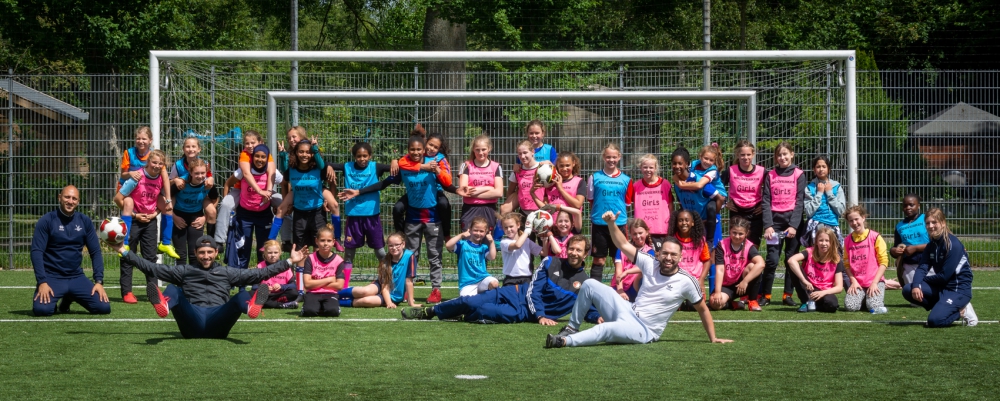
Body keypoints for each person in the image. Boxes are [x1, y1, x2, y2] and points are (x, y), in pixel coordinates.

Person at [543, 211, 732, 348]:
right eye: (664, 253)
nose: (668, 257)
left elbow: (703, 310)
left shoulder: (687, 281)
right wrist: (611, 224)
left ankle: (564, 341)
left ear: (680, 257)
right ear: (658, 254)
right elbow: (623, 244)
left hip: (644, 330)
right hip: (628, 311)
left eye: (673, 255)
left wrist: (713, 338)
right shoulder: (650, 263)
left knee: (606, 330)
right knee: (591, 284)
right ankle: (571, 328)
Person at [114, 235, 300, 338]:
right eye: (201, 252)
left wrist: (290, 261)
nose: (206, 256)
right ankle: (165, 305)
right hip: (191, 323)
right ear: (195, 253)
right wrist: (123, 251)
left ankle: (250, 307)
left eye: (210, 252)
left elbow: (258, 274)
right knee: (175, 288)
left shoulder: (227, 272)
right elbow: (151, 267)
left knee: (241, 294)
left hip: (219, 322)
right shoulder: (184, 271)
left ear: (216, 253)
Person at [399, 235, 598, 325]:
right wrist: (541, 315)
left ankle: (461, 315)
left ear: (586, 254)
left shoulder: (585, 283)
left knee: (484, 312)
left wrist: (597, 317)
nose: (573, 253)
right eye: (571, 248)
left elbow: (587, 307)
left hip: (522, 314)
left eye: (578, 250)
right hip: (516, 293)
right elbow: (534, 291)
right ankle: (429, 312)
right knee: (470, 300)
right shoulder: (550, 262)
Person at [350, 135, 452, 303]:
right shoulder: (405, 165)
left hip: (433, 218)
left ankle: (436, 290)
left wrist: (459, 190)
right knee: (411, 256)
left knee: (435, 255)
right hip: (412, 218)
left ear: (424, 148)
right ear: (408, 151)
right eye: (412, 149)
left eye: (419, 149)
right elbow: (384, 183)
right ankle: (404, 289)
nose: (416, 152)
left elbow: (446, 183)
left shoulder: (434, 163)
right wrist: (359, 191)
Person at [31, 185, 110, 316]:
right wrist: (42, 282)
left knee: (103, 308)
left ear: (78, 202)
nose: (70, 201)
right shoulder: (47, 220)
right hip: (52, 276)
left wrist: (99, 281)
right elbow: (36, 252)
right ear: (60, 198)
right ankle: (61, 296)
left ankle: (69, 298)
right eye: (67, 197)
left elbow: (95, 252)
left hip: (76, 277)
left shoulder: (85, 221)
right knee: (42, 310)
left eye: (74, 198)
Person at [328, 141, 396, 287]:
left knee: (380, 252)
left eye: (365, 156)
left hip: (372, 216)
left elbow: (397, 167)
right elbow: (325, 164)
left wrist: (395, 160)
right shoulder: (347, 167)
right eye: (359, 156)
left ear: (370, 156)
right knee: (349, 254)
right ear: (354, 157)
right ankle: (344, 286)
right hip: (353, 217)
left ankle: (388, 282)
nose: (362, 159)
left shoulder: (375, 167)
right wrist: (328, 167)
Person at [902, 208, 978, 327]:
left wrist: (921, 282)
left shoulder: (953, 244)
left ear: (943, 223)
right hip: (942, 287)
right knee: (908, 289)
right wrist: (916, 285)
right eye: (928, 223)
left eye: (934, 222)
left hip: (957, 290)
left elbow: (944, 276)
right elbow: (922, 267)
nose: (931, 226)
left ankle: (962, 311)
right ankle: (942, 307)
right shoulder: (932, 244)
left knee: (934, 321)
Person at [115, 149, 171, 303]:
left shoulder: (161, 179)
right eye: (154, 162)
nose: (157, 165)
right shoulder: (137, 177)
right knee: (128, 255)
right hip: (133, 220)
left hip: (150, 221)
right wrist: (134, 215)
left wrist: (155, 214)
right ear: (148, 162)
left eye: (160, 163)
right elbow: (118, 198)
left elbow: (162, 202)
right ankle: (127, 291)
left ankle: (153, 291)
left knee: (150, 257)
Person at [759, 142, 807, 307]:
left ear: (792, 154)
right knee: (772, 259)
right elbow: (766, 201)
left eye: (786, 154)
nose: (783, 157)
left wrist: (794, 225)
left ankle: (788, 295)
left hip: (793, 223)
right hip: (775, 223)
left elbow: (800, 202)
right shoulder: (770, 175)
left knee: (790, 259)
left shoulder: (799, 174)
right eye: (779, 155)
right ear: (775, 157)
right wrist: (768, 225)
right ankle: (766, 295)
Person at [214, 131, 278, 251]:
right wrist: (259, 191)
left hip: (265, 190)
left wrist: (268, 191)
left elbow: (272, 174)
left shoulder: (266, 153)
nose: (249, 146)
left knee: (283, 203)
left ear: (260, 143)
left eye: (252, 142)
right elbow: (246, 174)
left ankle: (287, 239)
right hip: (241, 189)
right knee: (226, 204)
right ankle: (219, 240)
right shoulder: (244, 155)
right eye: (246, 143)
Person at [337, 232, 421, 309]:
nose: (394, 248)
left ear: (403, 244)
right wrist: (388, 303)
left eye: (397, 245)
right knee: (364, 291)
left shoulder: (410, 256)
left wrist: (411, 303)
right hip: (381, 286)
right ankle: (334, 295)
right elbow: (384, 286)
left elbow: (409, 282)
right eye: (391, 245)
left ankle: (337, 302)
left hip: (394, 296)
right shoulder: (385, 261)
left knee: (367, 301)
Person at [226, 144, 275, 272]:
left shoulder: (271, 171)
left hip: (264, 215)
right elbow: (228, 183)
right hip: (245, 215)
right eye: (257, 156)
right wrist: (228, 202)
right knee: (243, 248)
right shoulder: (243, 171)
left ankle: (262, 281)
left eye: (263, 157)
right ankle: (241, 284)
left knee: (263, 249)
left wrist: (276, 203)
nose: (260, 159)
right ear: (252, 157)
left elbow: (285, 182)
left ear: (267, 158)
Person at [586, 142, 630, 280]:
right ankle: (594, 293)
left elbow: (627, 203)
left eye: (614, 157)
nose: (611, 160)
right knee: (599, 260)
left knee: (619, 260)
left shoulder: (627, 180)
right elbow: (591, 199)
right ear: (603, 157)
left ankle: (620, 292)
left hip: (619, 224)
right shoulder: (594, 177)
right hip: (599, 224)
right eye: (608, 157)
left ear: (619, 157)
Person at [673, 144, 727, 244]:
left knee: (711, 207)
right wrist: (676, 178)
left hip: (718, 195)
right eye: (705, 158)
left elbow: (699, 185)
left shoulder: (713, 170)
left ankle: (710, 237)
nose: (707, 162)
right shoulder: (694, 164)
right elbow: (683, 169)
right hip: (703, 188)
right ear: (700, 156)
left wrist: (682, 185)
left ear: (714, 161)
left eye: (711, 160)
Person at [710, 216, 765, 311]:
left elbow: (761, 264)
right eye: (734, 233)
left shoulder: (749, 246)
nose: (737, 236)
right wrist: (718, 292)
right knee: (714, 303)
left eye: (741, 234)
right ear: (730, 230)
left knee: (753, 266)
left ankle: (752, 300)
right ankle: (733, 304)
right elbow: (720, 269)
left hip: (743, 285)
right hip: (726, 285)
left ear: (746, 234)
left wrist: (745, 281)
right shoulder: (722, 245)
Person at [785, 227, 845, 313]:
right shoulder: (809, 252)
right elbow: (791, 260)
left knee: (832, 305)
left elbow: (839, 287)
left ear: (831, 242)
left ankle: (813, 304)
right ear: (816, 242)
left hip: (824, 291)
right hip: (808, 287)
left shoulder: (836, 259)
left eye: (827, 241)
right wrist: (804, 281)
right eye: (821, 240)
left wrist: (822, 293)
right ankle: (805, 301)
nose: (824, 243)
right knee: (793, 267)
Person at [170, 158, 219, 265]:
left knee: (194, 253)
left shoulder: (207, 184)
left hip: (196, 217)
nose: (200, 176)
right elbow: (167, 199)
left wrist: (204, 217)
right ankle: (181, 281)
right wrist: (174, 217)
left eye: (203, 173)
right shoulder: (182, 183)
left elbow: (215, 200)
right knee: (180, 254)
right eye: (196, 173)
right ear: (190, 173)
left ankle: (193, 280)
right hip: (179, 217)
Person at [842, 205, 889, 313]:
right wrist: (853, 281)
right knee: (850, 306)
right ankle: (864, 299)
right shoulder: (847, 240)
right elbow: (846, 264)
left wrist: (875, 283)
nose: (854, 223)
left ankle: (870, 300)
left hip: (875, 281)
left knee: (874, 307)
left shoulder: (875, 237)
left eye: (856, 219)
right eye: (851, 221)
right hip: (858, 283)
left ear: (863, 218)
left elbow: (884, 262)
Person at [169, 136, 217, 238]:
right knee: (169, 199)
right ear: (183, 149)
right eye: (188, 147)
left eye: (193, 146)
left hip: (199, 195)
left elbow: (209, 179)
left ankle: (211, 242)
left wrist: (211, 179)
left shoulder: (205, 164)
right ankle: (165, 238)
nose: (191, 149)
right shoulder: (178, 165)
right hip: (180, 195)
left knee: (212, 211)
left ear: (199, 149)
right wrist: (175, 180)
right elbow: (168, 183)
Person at [722, 140, 766, 248]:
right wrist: (724, 202)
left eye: (748, 154)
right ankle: (736, 265)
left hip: (755, 212)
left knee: (753, 247)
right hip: (737, 211)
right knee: (737, 243)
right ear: (737, 155)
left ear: (753, 154)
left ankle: (751, 264)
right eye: (742, 155)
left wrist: (764, 204)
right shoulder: (731, 170)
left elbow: (771, 189)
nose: (745, 157)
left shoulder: (762, 171)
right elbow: (717, 186)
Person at [457, 135, 504, 232]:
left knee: (487, 240)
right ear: (473, 149)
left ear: (489, 148)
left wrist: (474, 192)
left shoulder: (496, 167)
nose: (481, 153)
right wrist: (489, 188)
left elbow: (499, 193)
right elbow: (465, 191)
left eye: (483, 149)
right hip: (470, 209)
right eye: (477, 150)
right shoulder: (466, 166)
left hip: (489, 209)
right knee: (468, 240)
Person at [626, 153, 672, 250]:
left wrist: (670, 224)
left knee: (659, 259)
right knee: (641, 259)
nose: (648, 170)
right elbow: (630, 204)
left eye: (651, 167)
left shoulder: (665, 184)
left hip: (660, 229)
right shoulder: (636, 186)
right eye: (645, 167)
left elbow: (670, 205)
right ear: (641, 168)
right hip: (641, 230)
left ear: (656, 168)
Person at [499, 212, 560, 286]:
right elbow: (517, 245)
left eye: (511, 226)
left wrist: (544, 241)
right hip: (510, 279)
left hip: (526, 278)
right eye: (505, 227)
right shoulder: (504, 242)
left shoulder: (527, 241)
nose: (508, 229)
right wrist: (527, 230)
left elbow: (544, 253)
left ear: (518, 225)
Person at [301, 225, 347, 317]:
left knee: (332, 312)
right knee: (309, 312)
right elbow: (307, 284)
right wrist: (329, 280)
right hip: (312, 293)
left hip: (330, 293)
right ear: (316, 241)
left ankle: (323, 307)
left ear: (333, 242)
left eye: (329, 241)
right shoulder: (310, 258)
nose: (325, 243)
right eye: (322, 240)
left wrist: (315, 282)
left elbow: (339, 285)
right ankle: (315, 306)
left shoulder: (339, 260)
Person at [446, 217, 498, 296]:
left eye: (481, 231)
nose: (478, 233)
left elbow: (492, 257)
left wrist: (491, 242)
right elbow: (448, 245)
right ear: (470, 229)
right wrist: (461, 235)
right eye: (475, 230)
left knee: (494, 283)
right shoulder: (463, 244)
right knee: (467, 303)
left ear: (486, 232)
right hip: (467, 283)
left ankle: (485, 299)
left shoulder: (484, 247)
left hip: (482, 279)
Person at [801, 155, 846, 247]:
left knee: (834, 254)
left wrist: (829, 193)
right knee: (817, 254)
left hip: (832, 225)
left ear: (829, 169)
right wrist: (819, 194)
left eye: (824, 166)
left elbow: (841, 210)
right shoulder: (810, 188)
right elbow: (809, 211)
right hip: (816, 225)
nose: (821, 169)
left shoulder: (836, 186)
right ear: (814, 169)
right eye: (818, 167)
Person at [891, 194, 930, 288]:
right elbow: (897, 246)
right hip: (909, 264)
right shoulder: (899, 226)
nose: (908, 207)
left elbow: (938, 243)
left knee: (932, 293)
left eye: (911, 205)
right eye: (905, 205)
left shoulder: (927, 219)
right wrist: (893, 251)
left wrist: (916, 248)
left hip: (929, 262)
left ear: (919, 206)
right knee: (914, 296)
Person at [611, 218, 655, 302]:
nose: (638, 236)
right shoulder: (622, 249)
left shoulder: (650, 251)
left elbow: (646, 267)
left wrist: (627, 271)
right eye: (635, 234)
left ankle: (643, 301)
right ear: (630, 234)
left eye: (640, 233)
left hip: (635, 286)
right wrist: (620, 290)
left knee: (644, 273)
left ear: (647, 232)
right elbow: (618, 270)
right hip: (619, 285)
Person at [254, 240, 299, 309]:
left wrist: (281, 286)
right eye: (269, 253)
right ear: (264, 253)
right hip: (266, 294)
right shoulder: (260, 266)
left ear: (280, 253)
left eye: (275, 252)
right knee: (251, 293)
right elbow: (254, 286)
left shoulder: (285, 266)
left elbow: (293, 285)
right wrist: (264, 288)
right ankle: (282, 305)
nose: (273, 255)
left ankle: (268, 303)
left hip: (280, 294)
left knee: (294, 293)